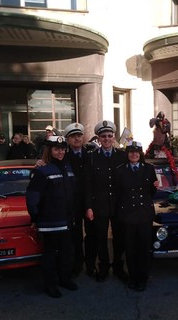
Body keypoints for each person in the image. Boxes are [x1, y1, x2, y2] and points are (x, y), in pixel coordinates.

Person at [26, 135, 78, 298]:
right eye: (57, 149)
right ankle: (50, 285)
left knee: (66, 253)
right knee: (50, 255)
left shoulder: (68, 167)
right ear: (50, 151)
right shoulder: (41, 171)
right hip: (49, 222)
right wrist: (35, 218)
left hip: (66, 220)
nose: (61, 152)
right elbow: (32, 197)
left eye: (63, 149)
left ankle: (65, 279)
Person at [85, 120, 127, 282]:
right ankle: (103, 266)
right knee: (100, 237)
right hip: (99, 205)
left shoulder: (122, 156)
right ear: (98, 138)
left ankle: (118, 266)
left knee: (119, 237)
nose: (107, 139)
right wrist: (88, 206)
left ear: (114, 137)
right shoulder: (93, 158)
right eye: (103, 136)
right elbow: (88, 185)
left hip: (118, 205)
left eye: (110, 136)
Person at [115, 141, 158, 291]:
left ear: (141, 154)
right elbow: (117, 194)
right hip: (128, 215)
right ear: (127, 154)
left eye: (137, 152)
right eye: (131, 152)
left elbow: (152, 192)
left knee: (144, 247)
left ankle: (143, 277)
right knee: (130, 248)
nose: (134, 154)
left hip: (144, 214)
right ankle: (132, 277)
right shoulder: (120, 170)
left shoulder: (149, 169)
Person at [64, 122, 89, 275]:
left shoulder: (91, 155)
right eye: (73, 136)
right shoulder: (64, 157)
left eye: (79, 135)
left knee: (92, 235)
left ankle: (92, 264)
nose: (77, 139)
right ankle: (77, 264)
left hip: (89, 202)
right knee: (75, 235)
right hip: (72, 203)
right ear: (68, 139)